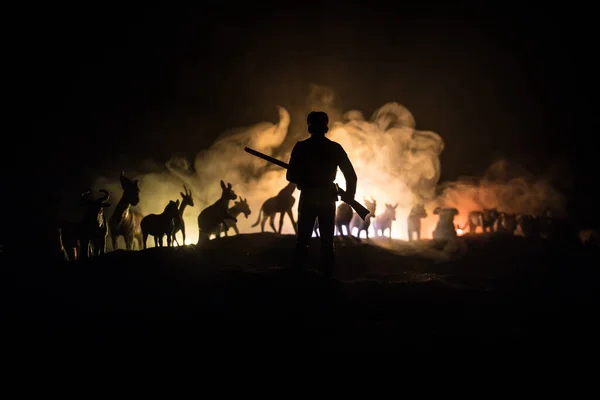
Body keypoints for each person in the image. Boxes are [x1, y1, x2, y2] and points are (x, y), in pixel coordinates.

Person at [286, 111, 357, 277]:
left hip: (309, 197)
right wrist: (349, 196)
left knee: (303, 241)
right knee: (327, 242)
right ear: (325, 127)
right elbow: (351, 176)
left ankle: (299, 278)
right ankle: (328, 278)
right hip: (326, 198)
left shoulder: (301, 147)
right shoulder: (335, 148)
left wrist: (303, 177)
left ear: (309, 127)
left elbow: (290, 176)